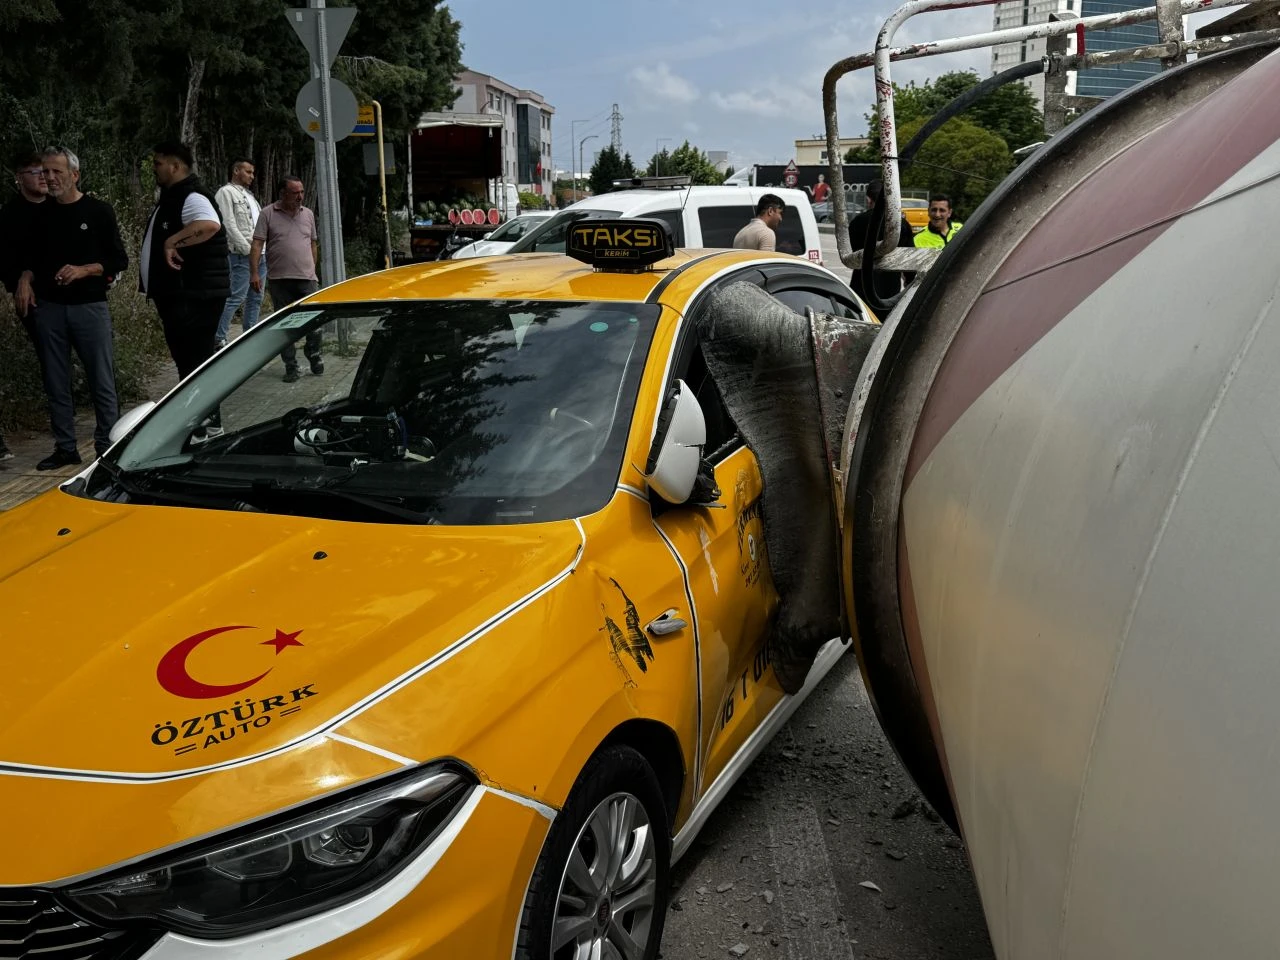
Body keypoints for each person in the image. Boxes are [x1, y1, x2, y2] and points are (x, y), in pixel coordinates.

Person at [14, 146, 128, 470]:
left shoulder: (98, 211)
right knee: (54, 379)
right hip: (49, 308)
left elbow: (119, 260)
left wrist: (84, 269)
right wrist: (25, 276)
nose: (49, 178)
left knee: (101, 379)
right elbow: (30, 259)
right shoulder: (40, 216)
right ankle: (65, 447)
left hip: (89, 307)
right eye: (44, 172)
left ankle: (108, 447)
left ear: (74, 174)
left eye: (56, 171)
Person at [140, 141, 230, 383]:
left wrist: (172, 243)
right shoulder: (175, 196)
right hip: (184, 295)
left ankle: (206, 419)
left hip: (193, 297)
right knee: (189, 365)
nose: (154, 169)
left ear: (175, 166)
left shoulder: (191, 196)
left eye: (158, 163)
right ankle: (200, 417)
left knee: (195, 366)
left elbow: (209, 224)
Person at [0, 150, 51, 463]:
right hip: (30, 298)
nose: (43, 177)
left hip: (70, 295)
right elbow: (5, 261)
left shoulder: (60, 207)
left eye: (44, 171)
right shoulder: (9, 215)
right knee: (48, 352)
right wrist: (20, 281)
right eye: (35, 172)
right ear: (19, 177)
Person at [250, 175, 322, 382]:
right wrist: (254, 272)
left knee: (314, 322)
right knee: (285, 326)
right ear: (283, 193)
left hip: (307, 278)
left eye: (301, 192)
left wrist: (313, 270)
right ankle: (291, 366)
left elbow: (313, 244)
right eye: (295, 192)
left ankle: (314, 353)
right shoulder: (267, 214)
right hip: (279, 279)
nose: (300, 196)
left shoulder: (307, 214)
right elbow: (257, 244)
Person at [213, 157, 265, 349]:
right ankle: (218, 338)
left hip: (260, 254)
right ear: (236, 171)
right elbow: (228, 224)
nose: (252, 176)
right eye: (248, 172)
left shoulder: (250, 196)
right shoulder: (225, 193)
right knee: (236, 296)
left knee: (256, 297)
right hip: (241, 254)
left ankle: (249, 335)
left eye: (252, 172)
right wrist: (247, 249)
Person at [847, 179, 916, 306]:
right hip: (890, 291)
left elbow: (854, 255)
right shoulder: (901, 224)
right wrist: (909, 281)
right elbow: (910, 260)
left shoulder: (857, 222)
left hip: (861, 287)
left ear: (868, 199)